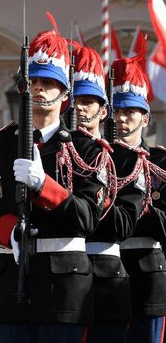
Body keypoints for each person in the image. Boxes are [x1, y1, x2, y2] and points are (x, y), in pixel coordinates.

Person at [0, 24, 107, 343]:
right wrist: (8, 230)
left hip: (65, 286)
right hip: (12, 281)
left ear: (65, 93)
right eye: (33, 82)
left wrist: (45, 187)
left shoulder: (87, 149)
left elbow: (87, 218)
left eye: (48, 82)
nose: (39, 88)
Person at [70, 47, 145, 343]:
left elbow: (123, 225)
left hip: (105, 274)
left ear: (104, 112)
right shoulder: (53, 152)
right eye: (75, 102)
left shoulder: (125, 159)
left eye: (87, 102)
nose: (79, 109)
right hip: (58, 281)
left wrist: (83, 201)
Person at [111, 47, 166, 343]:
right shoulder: (99, 159)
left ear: (145, 118)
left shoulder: (160, 163)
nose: (122, 119)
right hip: (105, 271)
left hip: (147, 273)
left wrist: (137, 208)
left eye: (130, 112)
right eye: (117, 111)